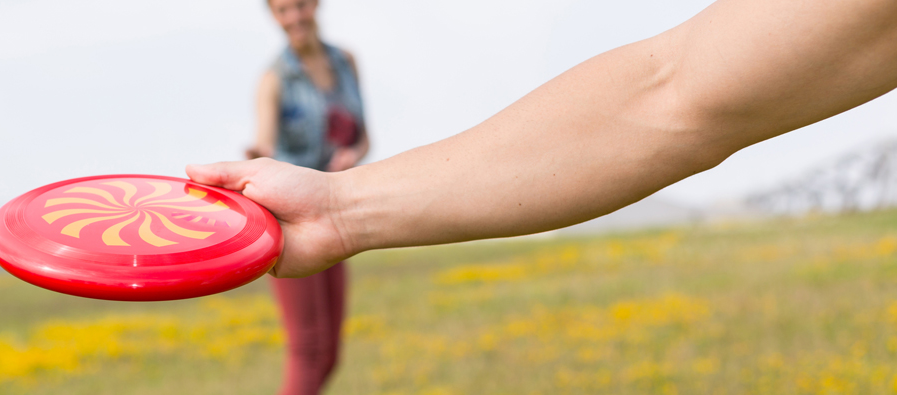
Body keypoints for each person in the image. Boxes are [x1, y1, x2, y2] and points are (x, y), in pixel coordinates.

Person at [189, 0, 897, 281]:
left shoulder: (345, 64)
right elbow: (674, 96)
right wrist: (343, 207)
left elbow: (673, 96)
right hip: (295, 214)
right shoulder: (276, 77)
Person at [236, 0, 373, 395]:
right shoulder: (274, 79)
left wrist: (351, 156)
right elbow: (265, 146)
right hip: (288, 223)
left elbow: (364, 137)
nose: (293, 17)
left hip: (336, 215)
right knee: (307, 346)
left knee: (330, 352)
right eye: (280, 10)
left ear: (314, 6)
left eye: (298, 6)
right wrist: (255, 158)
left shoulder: (346, 63)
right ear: (273, 16)